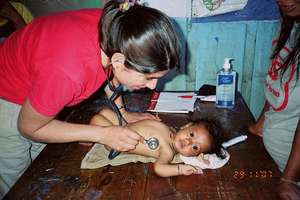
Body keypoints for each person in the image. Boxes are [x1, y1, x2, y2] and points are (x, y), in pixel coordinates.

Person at [0, 0, 180, 197]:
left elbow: (110, 71)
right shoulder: (69, 72)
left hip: (41, 84)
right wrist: (102, 134)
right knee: (18, 184)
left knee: (39, 168)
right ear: (119, 61)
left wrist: (123, 113)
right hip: (8, 96)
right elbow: (28, 127)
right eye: (148, 77)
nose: (153, 86)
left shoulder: (117, 26)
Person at [248, 0, 300, 199]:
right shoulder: (290, 24)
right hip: (276, 165)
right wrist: (259, 124)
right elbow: (277, 82)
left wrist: (289, 179)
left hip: (292, 177)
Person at [90, 107, 225, 177]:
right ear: (185, 126)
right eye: (191, 134)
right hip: (122, 126)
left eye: (195, 148)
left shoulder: (167, 151)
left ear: (194, 155)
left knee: (97, 120)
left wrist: (180, 170)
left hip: (116, 140)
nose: (188, 142)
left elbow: (159, 168)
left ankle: (85, 139)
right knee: (105, 111)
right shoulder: (172, 131)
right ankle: (87, 137)